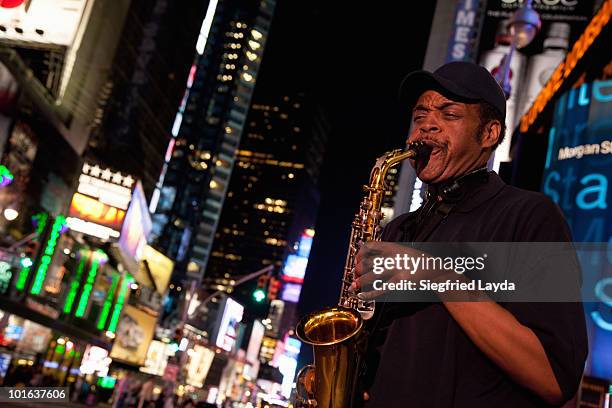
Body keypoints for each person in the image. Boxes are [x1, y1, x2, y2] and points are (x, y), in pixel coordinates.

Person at [352, 61, 588, 407]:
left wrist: (434, 274)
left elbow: (553, 377)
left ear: (489, 134)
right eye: (419, 117)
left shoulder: (530, 216)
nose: (426, 126)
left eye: (449, 114)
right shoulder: (398, 230)